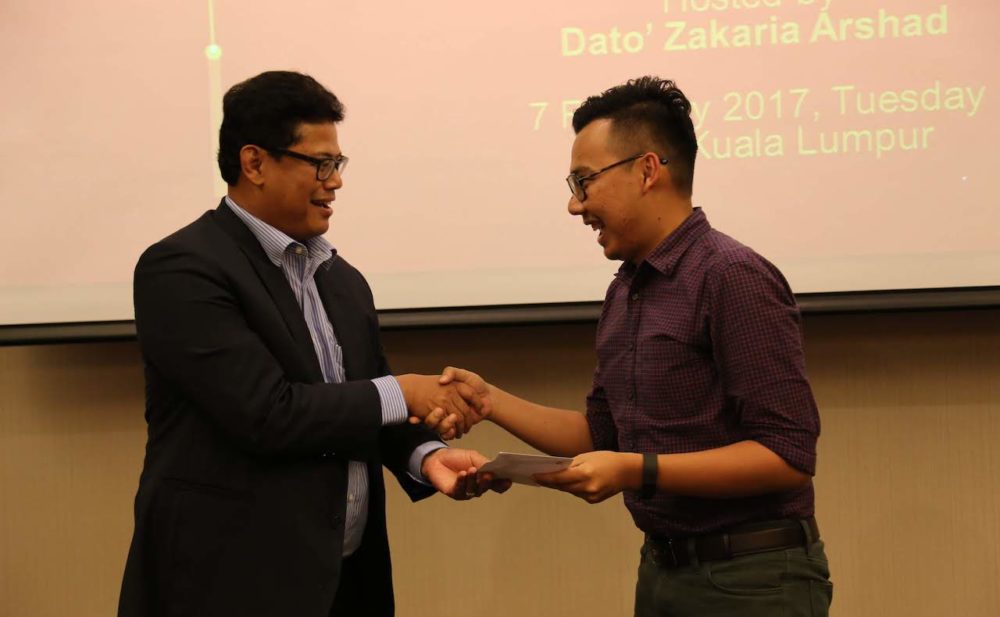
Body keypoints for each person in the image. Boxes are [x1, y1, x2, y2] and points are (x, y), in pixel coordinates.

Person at [437, 76, 832, 616]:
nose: (574, 205)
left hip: (752, 578)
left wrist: (635, 470)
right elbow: (603, 436)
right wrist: (489, 402)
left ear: (647, 171)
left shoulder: (731, 275)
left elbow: (787, 456)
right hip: (662, 570)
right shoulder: (627, 289)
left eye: (584, 181)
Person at [118, 70, 504, 617]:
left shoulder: (342, 280)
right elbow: (266, 413)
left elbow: (361, 406)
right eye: (321, 164)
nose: (335, 181)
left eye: (338, 163)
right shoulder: (183, 269)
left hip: (343, 584)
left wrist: (426, 456)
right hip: (226, 584)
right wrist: (406, 391)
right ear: (254, 163)